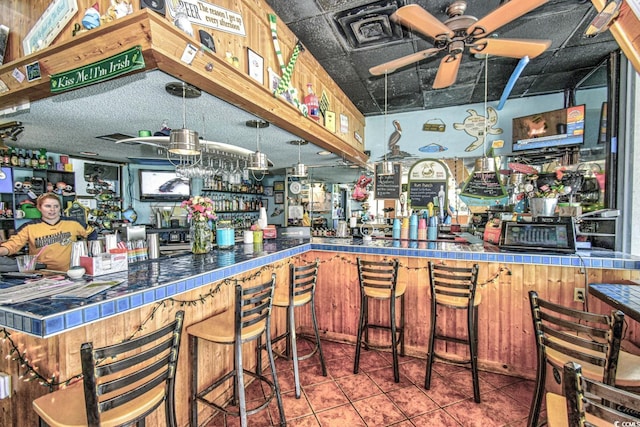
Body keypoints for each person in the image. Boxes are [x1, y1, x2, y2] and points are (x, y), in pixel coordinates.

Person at [0, 193, 97, 272]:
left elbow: (92, 233)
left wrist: (88, 254)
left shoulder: (73, 223)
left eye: (56, 206)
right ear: (39, 207)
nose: (52, 210)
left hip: (70, 273)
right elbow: (12, 245)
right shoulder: (28, 227)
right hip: (40, 275)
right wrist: (2, 251)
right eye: (48, 206)